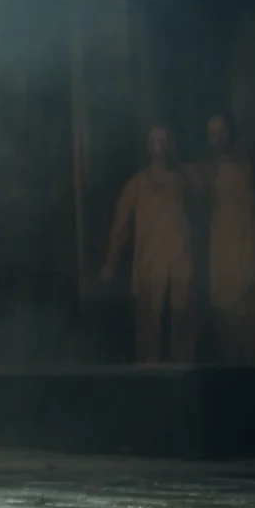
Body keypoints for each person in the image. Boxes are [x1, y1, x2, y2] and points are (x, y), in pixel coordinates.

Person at [185, 114, 255, 366]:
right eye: (212, 133)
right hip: (226, 244)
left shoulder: (248, 161)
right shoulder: (205, 169)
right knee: (232, 309)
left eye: (222, 131)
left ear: (230, 132)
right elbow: (197, 205)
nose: (218, 137)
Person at [102, 126, 196, 362]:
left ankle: (183, 375)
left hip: (180, 259)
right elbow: (121, 225)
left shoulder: (185, 181)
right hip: (149, 262)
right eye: (155, 140)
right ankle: (149, 375)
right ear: (148, 145)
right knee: (147, 325)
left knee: (183, 319)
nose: (160, 145)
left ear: (171, 144)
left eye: (165, 140)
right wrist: (111, 263)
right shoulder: (138, 183)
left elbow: (202, 214)